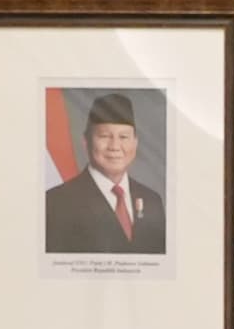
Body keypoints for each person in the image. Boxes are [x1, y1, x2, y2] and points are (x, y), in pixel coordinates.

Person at [42, 93, 164, 255]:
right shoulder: (55, 202)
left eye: (124, 137)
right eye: (104, 136)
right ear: (86, 141)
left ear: (135, 143)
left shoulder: (152, 201)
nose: (115, 146)